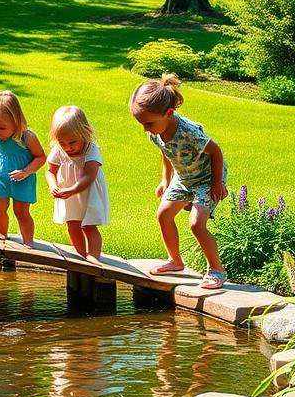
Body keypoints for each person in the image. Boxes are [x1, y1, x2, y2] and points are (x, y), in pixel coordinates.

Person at [129, 74, 228, 289]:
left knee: (196, 224)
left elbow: (216, 151)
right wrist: (165, 180)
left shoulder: (188, 132)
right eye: (141, 123)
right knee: (164, 215)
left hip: (206, 178)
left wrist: (217, 183)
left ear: (169, 113)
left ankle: (217, 270)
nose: (145, 129)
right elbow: (166, 152)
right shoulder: (156, 131)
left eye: (148, 123)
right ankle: (175, 261)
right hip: (183, 177)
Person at [0, 91, 45, 246]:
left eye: (1, 127)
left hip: (21, 179)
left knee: (21, 211)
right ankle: (1, 233)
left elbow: (41, 157)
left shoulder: (27, 137)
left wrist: (26, 172)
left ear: (16, 121)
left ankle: (28, 241)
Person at [45, 105, 109, 260]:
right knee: (72, 224)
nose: (68, 147)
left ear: (84, 133)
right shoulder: (59, 149)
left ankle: (93, 257)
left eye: (72, 142)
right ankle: (81, 255)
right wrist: (53, 186)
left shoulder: (91, 149)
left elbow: (89, 176)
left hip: (87, 193)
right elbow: (50, 170)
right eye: (62, 142)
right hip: (69, 194)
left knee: (88, 225)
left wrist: (73, 189)